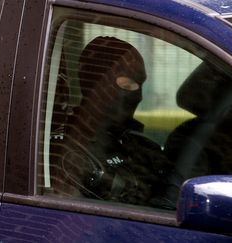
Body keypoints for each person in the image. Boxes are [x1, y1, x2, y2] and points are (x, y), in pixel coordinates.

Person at [58, 37, 173, 207]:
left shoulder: (138, 144)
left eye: (139, 85)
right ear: (95, 84)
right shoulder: (70, 150)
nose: (138, 96)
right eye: (127, 85)